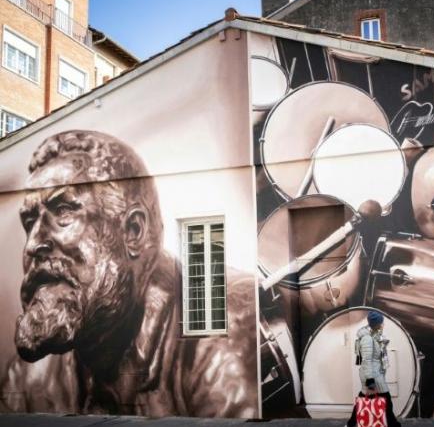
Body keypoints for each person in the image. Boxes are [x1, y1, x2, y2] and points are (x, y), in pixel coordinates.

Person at [0, 130, 258, 417]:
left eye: (63, 211)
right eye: (30, 222)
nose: (34, 243)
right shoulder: (31, 374)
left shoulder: (220, 324)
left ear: (133, 231)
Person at [347, 310, 401, 427]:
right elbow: (366, 361)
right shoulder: (367, 339)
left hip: (375, 372)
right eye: (382, 322)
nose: (383, 324)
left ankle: (351, 424)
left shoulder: (374, 335)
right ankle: (393, 424)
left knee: (364, 396)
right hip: (372, 374)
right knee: (386, 398)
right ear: (377, 323)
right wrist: (370, 380)